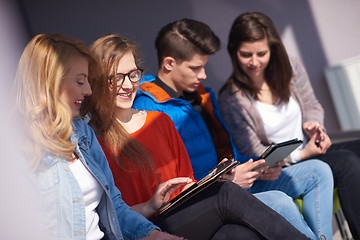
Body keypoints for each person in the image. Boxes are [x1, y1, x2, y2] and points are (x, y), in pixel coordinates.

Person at [81, 33, 312, 240]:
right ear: (99, 80)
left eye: (133, 75)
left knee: (235, 233)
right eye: (116, 77)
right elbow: (110, 214)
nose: (128, 84)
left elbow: (186, 183)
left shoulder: (160, 121)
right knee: (227, 194)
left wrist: (211, 180)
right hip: (147, 227)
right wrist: (150, 205)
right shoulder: (91, 139)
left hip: (186, 214)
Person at [133, 18, 334, 239]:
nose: (203, 75)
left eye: (204, 66)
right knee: (281, 202)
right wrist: (223, 181)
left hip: (232, 182)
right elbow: (168, 182)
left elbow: (227, 153)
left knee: (318, 171)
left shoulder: (202, 96)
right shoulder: (150, 110)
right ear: (169, 63)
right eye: (196, 68)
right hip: (208, 195)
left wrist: (257, 165)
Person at [14, 33, 183, 240]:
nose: (88, 90)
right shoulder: (15, 147)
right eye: (80, 81)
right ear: (50, 83)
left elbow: (115, 208)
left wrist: (155, 236)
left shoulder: (82, 133)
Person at [218, 11, 360, 240]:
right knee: (347, 163)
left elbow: (312, 105)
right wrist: (302, 154)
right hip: (282, 168)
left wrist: (316, 126)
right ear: (234, 51)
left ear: (272, 49)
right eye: (246, 55)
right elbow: (254, 151)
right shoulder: (231, 98)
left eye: (261, 54)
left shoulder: (290, 68)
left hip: (310, 149)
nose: (254, 62)